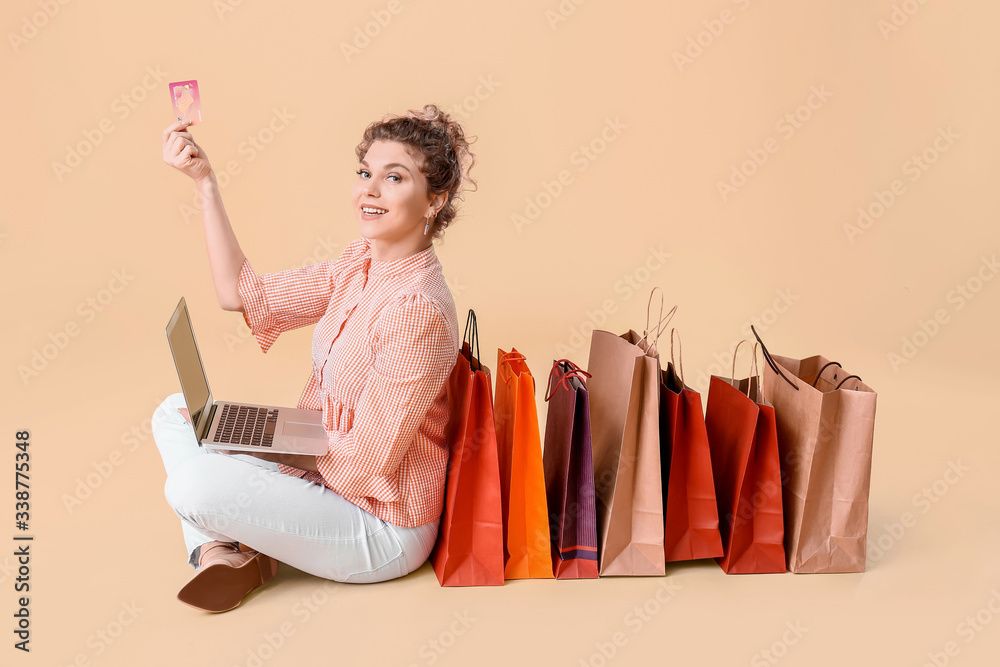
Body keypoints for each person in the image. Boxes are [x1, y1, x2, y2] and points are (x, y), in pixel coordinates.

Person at [154, 104, 477, 612]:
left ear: (435, 200)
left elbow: (370, 462)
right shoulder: (358, 265)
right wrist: (205, 183)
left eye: (394, 177)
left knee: (193, 483)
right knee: (173, 414)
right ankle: (223, 554)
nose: (369, 189)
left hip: (379, 523)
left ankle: (227, 548)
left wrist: (257, 442)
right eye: (365, 172)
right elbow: (244, 294)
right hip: (326, 476)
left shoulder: (417, 309)